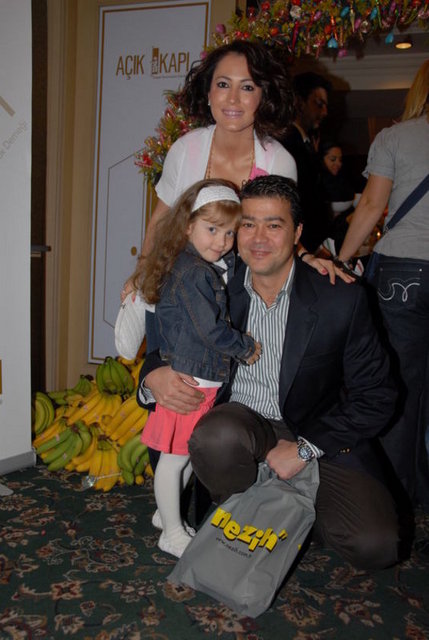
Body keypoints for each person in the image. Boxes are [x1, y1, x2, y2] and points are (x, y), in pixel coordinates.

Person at [140, 175, 400, 570]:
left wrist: (305, 449)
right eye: (247, 224)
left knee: (375, 545)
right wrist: (153, 376)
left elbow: (378, 394)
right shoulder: (214, 283)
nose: (258, 238)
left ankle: (288, 509)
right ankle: (249, 506)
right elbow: (163, 341)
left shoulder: (340, 298)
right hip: (240, 425)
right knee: (216, 437)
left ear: (297, 233)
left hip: (317, 432)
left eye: (274, 225)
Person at [133, 178, 261, 558]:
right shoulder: (194, 272)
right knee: (174, 460)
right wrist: (244, 347)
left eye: (229, 232)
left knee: (185, 454)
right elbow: (210, 330)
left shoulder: (201, 265)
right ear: (188, 226)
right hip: (190, 378)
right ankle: (171, 531)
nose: (221, 241)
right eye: (212, 230)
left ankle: (166, 516)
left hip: (200, 378)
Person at [337, 59, 429, 512]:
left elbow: (372, 207)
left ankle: (397, 502)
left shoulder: (396, 137)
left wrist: (340, 260)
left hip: (405, 272)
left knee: (402, 386)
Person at [278, 72, 333, 253]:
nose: (324, 112)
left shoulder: (306, 143)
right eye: (319, 104)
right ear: (299, 102)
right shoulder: (287, 144)